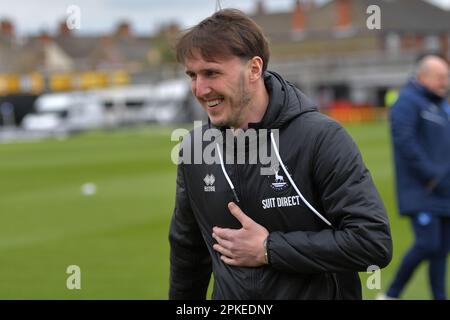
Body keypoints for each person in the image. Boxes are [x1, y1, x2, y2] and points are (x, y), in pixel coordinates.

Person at [168, 9, 392, 300]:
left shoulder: (320, 138)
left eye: (211, 72)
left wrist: (268, 249)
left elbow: (372, 243)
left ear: (254, 69)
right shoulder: (195, 150)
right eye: (192, 75)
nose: (200, 89)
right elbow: (188, 255)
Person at [382, 55, 450, 300]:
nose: (445, 82)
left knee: (441, 251)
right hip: (423, 190)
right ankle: (390, 294)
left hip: (444, 190)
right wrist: (430, 175)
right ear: (423, 77)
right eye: (440, 77)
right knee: (428, 244)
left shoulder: (441, 104)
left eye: (447, 77)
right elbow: (404, 141)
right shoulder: (408, 102)